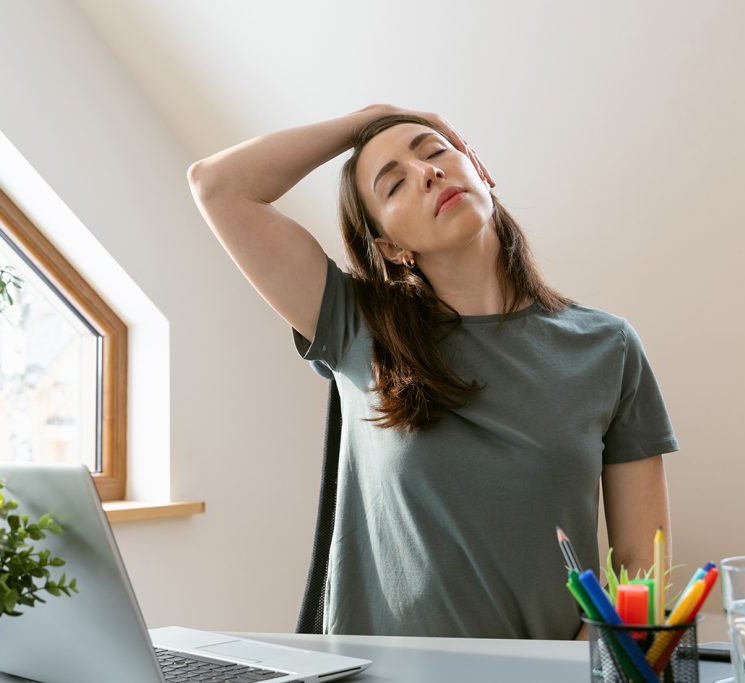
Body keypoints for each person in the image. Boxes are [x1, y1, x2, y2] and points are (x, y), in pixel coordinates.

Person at [186, 103, 678, 640]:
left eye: (435, 151)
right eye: (393, 184)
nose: (427, 173)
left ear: (480, 170)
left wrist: (582, 662)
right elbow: (217, 185)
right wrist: (374, 117)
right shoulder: (354, 325)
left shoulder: (608, 346)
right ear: (390, 248)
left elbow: (641, 562)